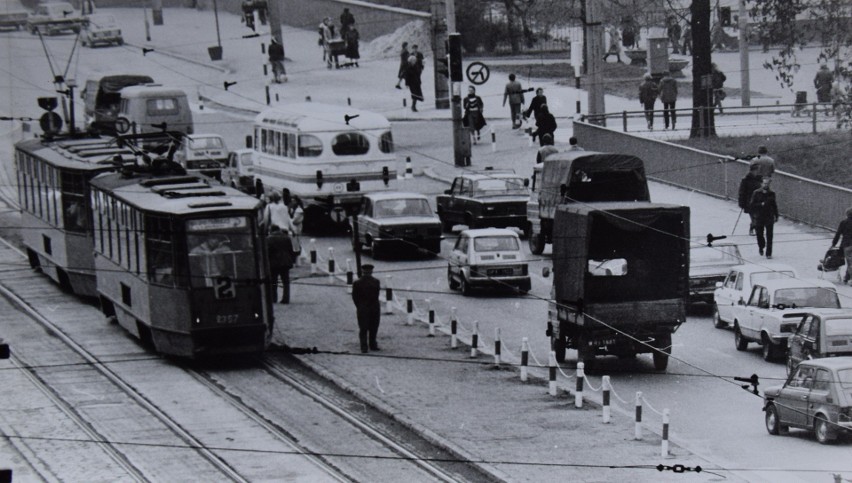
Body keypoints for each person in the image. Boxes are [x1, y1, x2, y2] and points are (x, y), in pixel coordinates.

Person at [352, 263, 381, 353]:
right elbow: (377, 295)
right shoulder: (376, 281)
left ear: (362, 271)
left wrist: (359, 306)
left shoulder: (357, 283)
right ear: (371, 271)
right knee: (374, 327)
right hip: (374, 307)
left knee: (363, 328)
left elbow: (354, 297)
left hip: (363, 307)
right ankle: (373, 345)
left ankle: (364, 347)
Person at [749, 177, 779, 258]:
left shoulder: (772, 193)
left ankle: (769, 253)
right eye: (764, 183)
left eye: (767, 183)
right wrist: (760, 204)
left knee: (770, 235)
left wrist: (776, 215)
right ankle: (761, 246)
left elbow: (774, 205)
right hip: (759, 216)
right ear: (761, 184)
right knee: (759, 234)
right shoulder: (756, 193)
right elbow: (752, 205)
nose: (766, 185)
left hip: (769, 216)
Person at [266, 225, 294, 303]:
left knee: (274, 281)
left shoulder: (269, 239)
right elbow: (291, 250)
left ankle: (274, 298)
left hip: (274, 263)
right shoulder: (287, 237)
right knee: (286, 282)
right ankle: (286, 298)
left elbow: (268, 251)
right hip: (286, 262)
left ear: (271, 230)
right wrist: (292, 260)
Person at [738, 164, 763, 236]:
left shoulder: (760, 179)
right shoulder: (746, 180)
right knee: (754, 216)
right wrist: (742, 202)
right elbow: (742, 192)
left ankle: (755, 228)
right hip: (750, 202)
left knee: (759, 216)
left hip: (759, 200)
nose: (757, 172)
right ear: (752, 171)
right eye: (756, 170)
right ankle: (753, 229)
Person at [831, 207, 852, 284]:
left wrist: (833, 244)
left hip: (847, 245)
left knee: (850, 263)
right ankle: (847, 277)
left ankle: (849, 278)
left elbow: (838, 234)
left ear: (847, 214)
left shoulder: (844, 222)